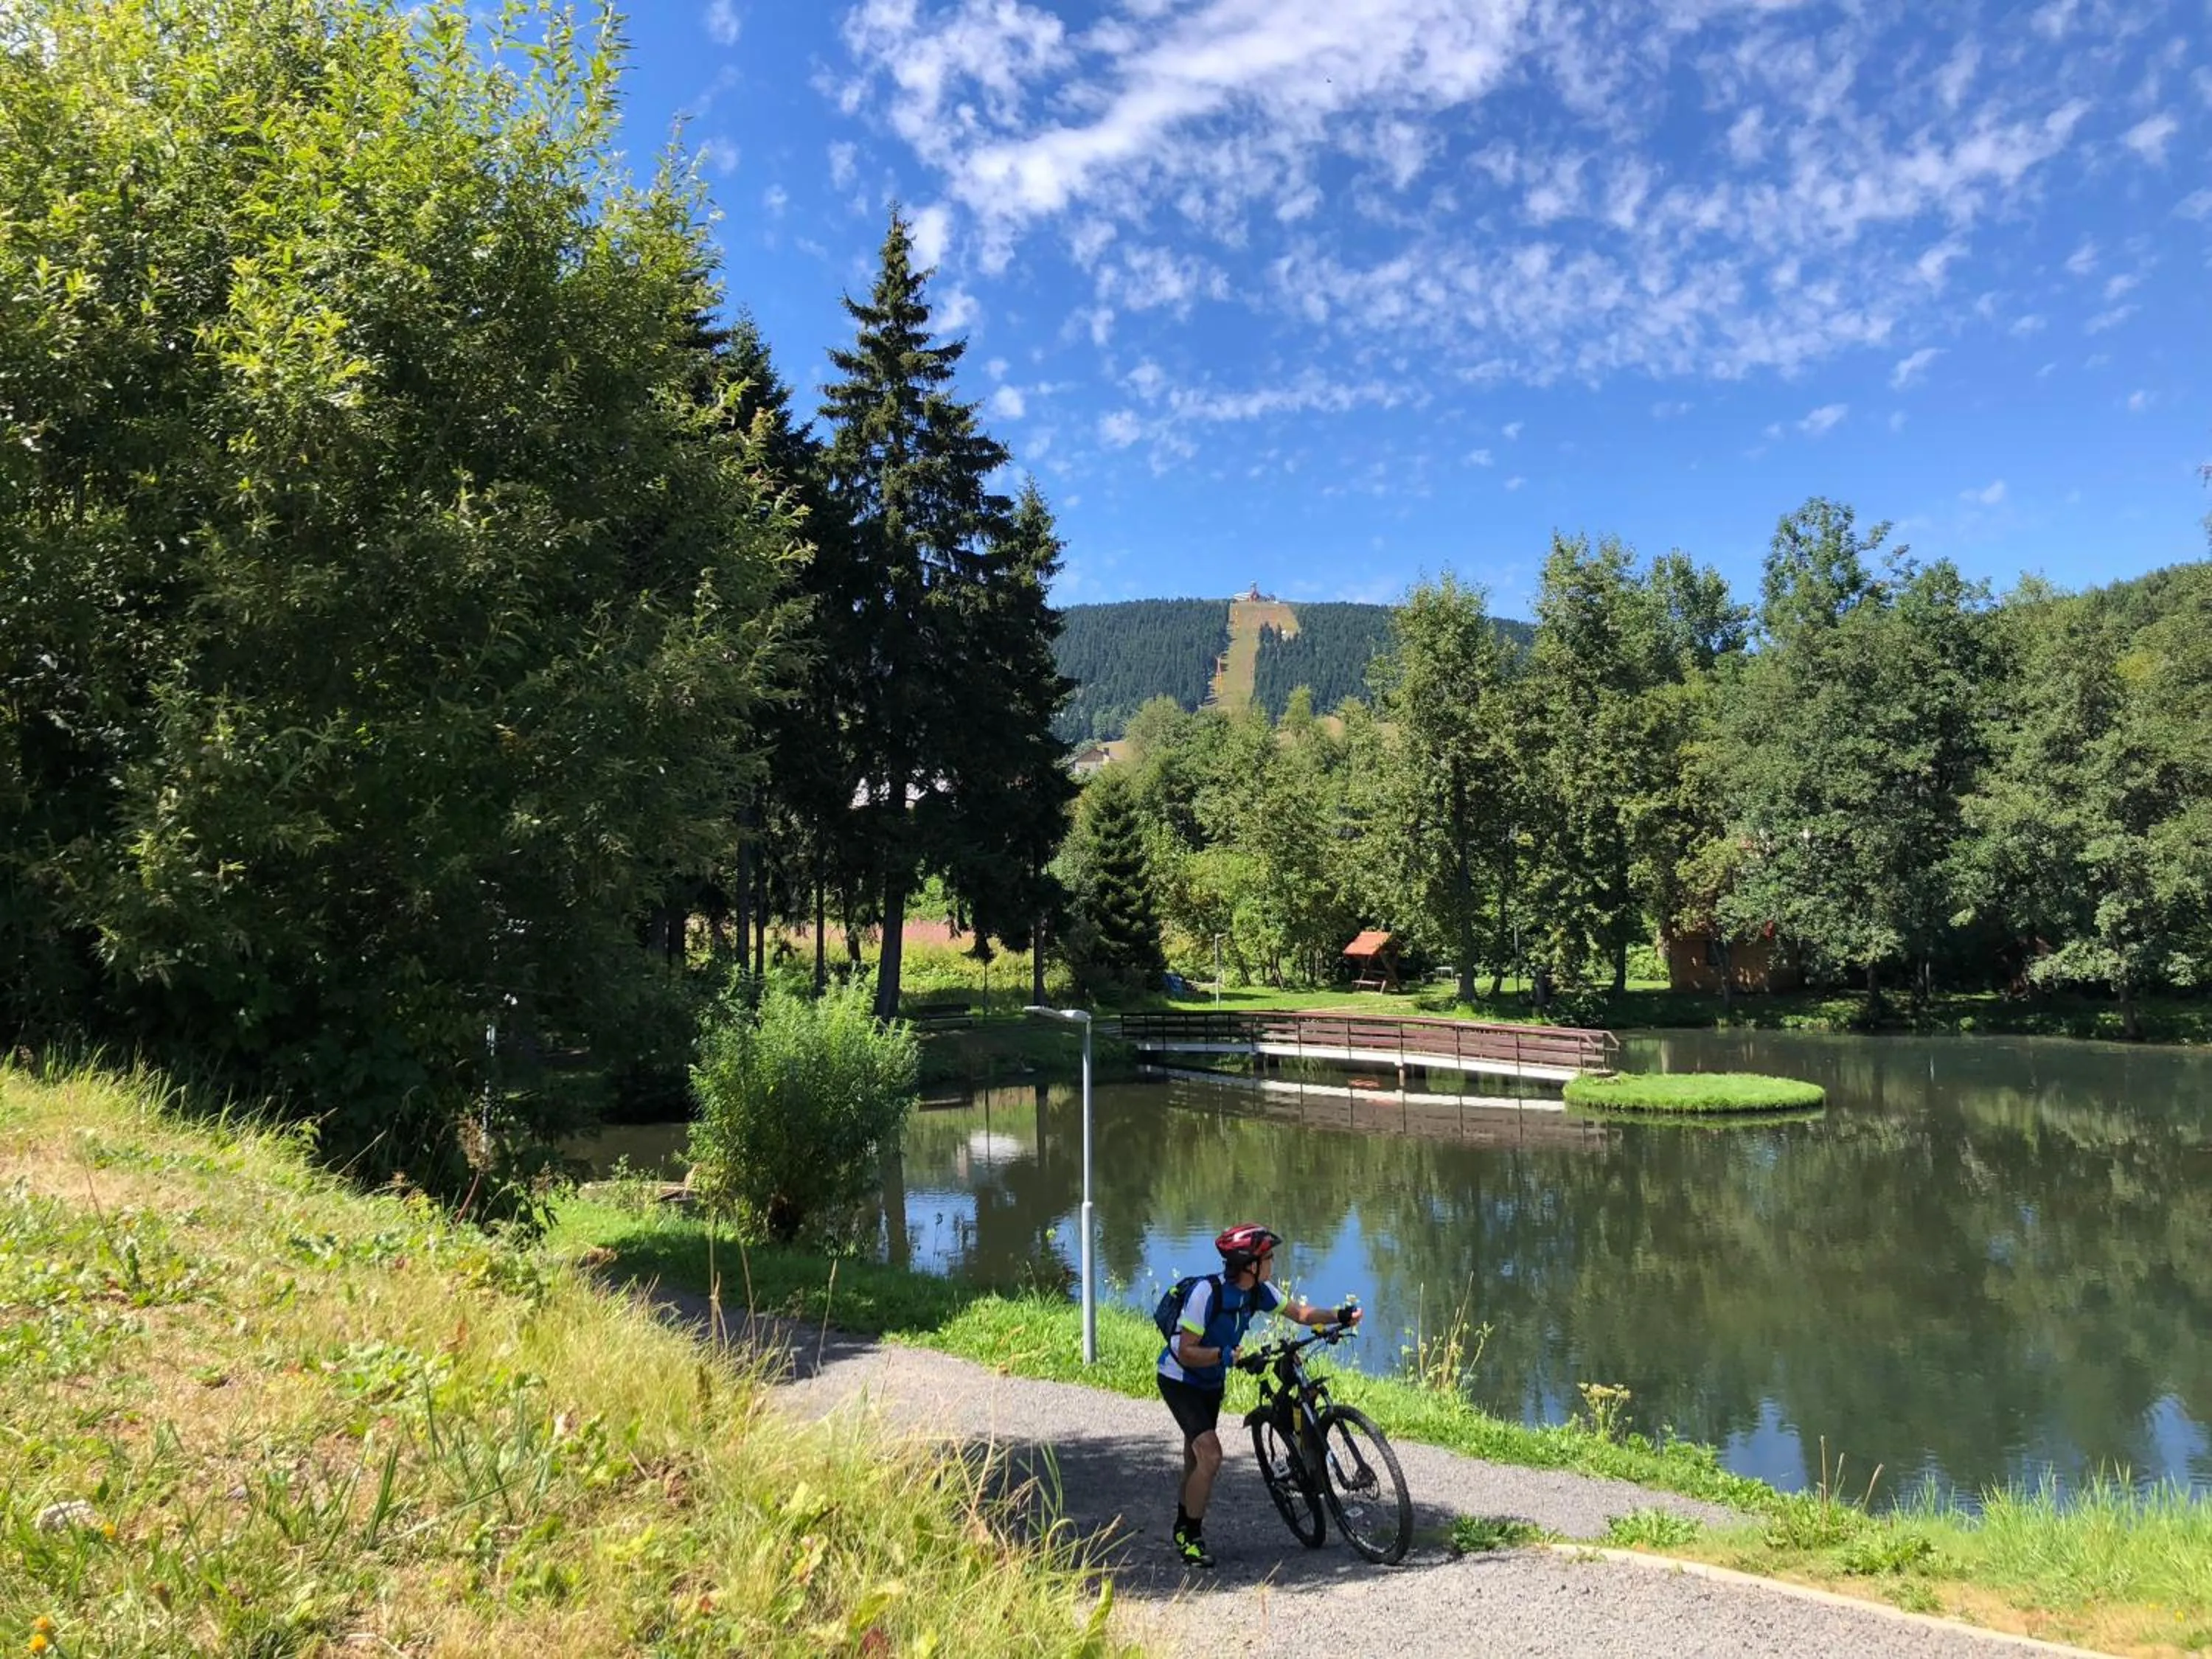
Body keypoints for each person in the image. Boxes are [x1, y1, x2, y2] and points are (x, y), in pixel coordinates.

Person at [1157, 1222, 1363, 1568]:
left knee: (1195, 1459)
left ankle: (1183, 1517)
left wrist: (1339, 1315)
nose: (1272, 1262)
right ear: (1249, 1264)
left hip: (1210, 1383)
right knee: (1210, 1455)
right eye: (1268, 1257)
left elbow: (1300, 1313)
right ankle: (1188, 1534)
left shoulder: (1258, 1291)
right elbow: (1185, 1350)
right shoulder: (1206, 1294)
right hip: (1180, 1379)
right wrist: (1223, 1355)